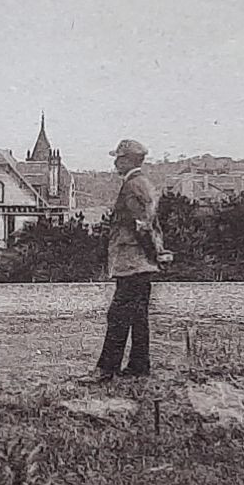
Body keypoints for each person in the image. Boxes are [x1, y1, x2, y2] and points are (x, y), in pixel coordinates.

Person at [92, 139, 172, 382]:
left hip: (132, 263)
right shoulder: (144, 184)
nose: (116, 162)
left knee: (117, 315)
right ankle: (139, 366)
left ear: (128, 160)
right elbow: (150, 225)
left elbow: (142, 227)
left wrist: (152, 254)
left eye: (119, 158)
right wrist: (157, 255)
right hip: (142, 264)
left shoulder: (131, 186)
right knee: (138, 317)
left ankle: (107, 369)